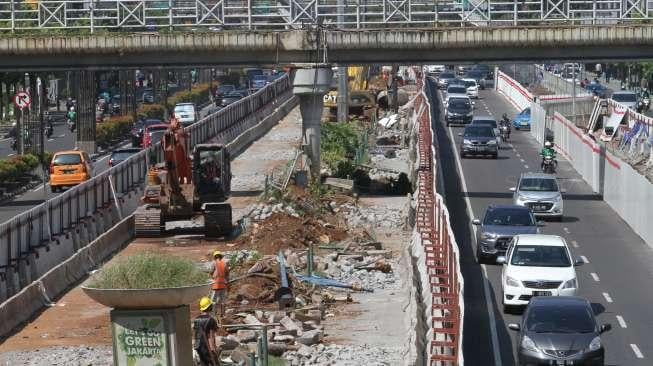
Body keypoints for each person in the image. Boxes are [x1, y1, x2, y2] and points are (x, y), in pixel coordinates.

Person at [193, 297, 219, 366]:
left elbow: (195, 335)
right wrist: (214, 351)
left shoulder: (196, 320)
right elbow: (211, 337)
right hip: (208, 348)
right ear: (210, 307)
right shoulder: (211, 320)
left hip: (199, 348)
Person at [210, 250, 229, 318]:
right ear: (220, 257)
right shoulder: (224, 263)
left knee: (213, 301)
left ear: (215, 257)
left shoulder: (214, 263)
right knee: (223, 300)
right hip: (223, 284)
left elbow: (211, 272)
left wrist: (212, 276)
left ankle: (213, 314)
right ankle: (223, 314)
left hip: (216, 285)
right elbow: (227, 273)